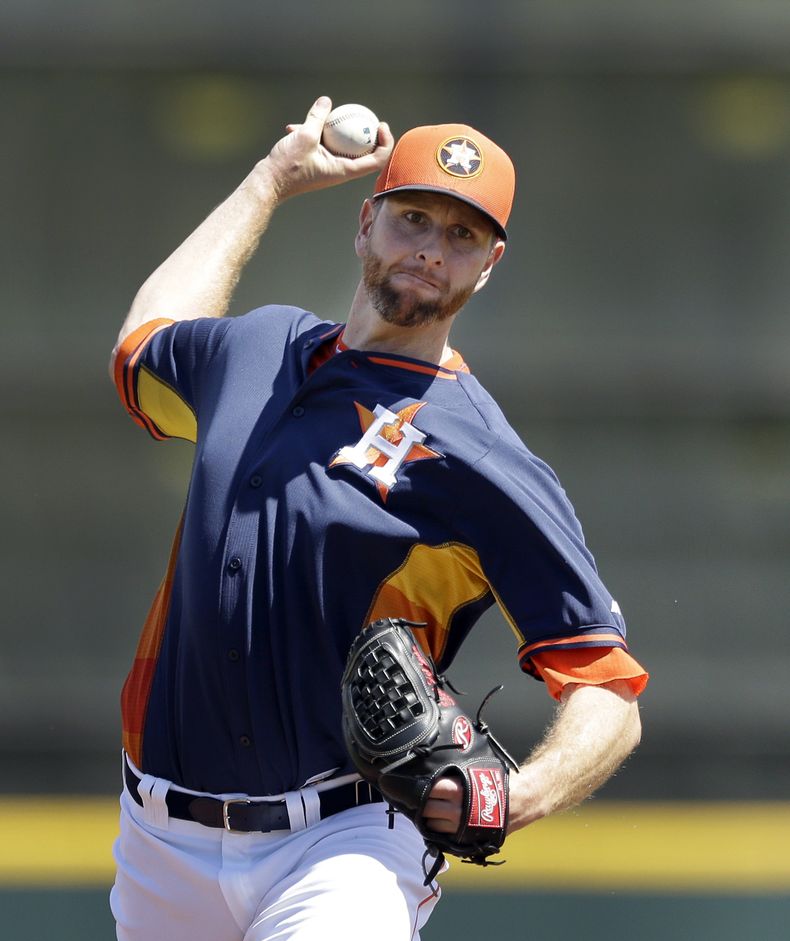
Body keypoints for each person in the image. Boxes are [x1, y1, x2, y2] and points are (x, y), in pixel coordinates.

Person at [108, 96, 648, 941]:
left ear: (489, 264)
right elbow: (144, 342)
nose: (431, 249)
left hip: (342, 842)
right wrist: (269, 181)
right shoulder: (257, 349)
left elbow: (609, 689)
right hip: (156, 842)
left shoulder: (481, 455)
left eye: (462, 235)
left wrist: (523, 794)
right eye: (413, 218)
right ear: (366, 224)